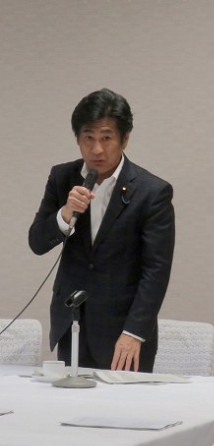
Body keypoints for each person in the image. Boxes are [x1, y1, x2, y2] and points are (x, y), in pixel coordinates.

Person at [29, 88, 175, 372]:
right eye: (88, 138)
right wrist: (65, 214)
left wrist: (134, 332)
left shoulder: (152, 192)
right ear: (78, 139)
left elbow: (156, 271)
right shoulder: (62, 177)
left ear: (125, 139)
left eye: (106, 138)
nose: (96, 149)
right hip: (72, 324)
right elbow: (37, 242)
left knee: (123, 402)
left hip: (123, 334)